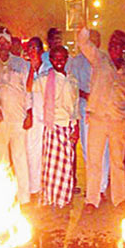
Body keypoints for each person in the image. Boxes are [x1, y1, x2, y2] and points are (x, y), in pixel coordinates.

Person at [77, 25, 125, 212]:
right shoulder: (99, 58)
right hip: (97, 118)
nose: (114, 47)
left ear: (124, 48)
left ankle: (119, 198)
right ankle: (92, 200)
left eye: (119, 45)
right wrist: (83, 30)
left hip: (118, 120)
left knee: (117, 162)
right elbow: (83, 43)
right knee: (94, 161)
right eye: (112, 44)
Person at [0, 28, 33, 205]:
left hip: (18, 117)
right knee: (1, 159)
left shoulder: (22, 64)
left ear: (10, 44)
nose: (2, 45)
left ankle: (24, 198)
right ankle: (3, 198)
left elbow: (28, 91)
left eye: (5, 42)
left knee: (20, 157)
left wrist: (29, 112)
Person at [31, 46, 80, 208]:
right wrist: (33, 65)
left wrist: (76, 128)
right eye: (55, 58)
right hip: (53, 127)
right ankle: (51, 199)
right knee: (51, 167)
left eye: (62, 58)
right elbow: (29, 87)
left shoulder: (72, 80)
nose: (59, 62)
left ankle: (63, 199)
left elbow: (75, 106)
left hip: (68, 127)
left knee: (66, 166)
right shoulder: (45, 78)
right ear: (50, 60)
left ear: (67, 59)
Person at [69, 29, 111, 200]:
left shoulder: (105, 59)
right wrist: (85, 94)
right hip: (85, 108)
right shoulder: (76, 62)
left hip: (103, 110)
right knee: (88, 149)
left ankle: (102, 187)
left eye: (95, 40)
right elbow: (71, 84)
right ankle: (93, 187)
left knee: (104, 149)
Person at [24, 37, 50, 201]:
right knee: (32, 153)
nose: (32, 51)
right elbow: (28, 89)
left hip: (48, 117)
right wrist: (32, 69)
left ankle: (47, 189)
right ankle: (35, 189)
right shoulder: (27, 68)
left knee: (47, 154)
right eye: (30, 48)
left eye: (35, 48)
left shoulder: (49, 68)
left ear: (41, 51)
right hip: (34, 117)